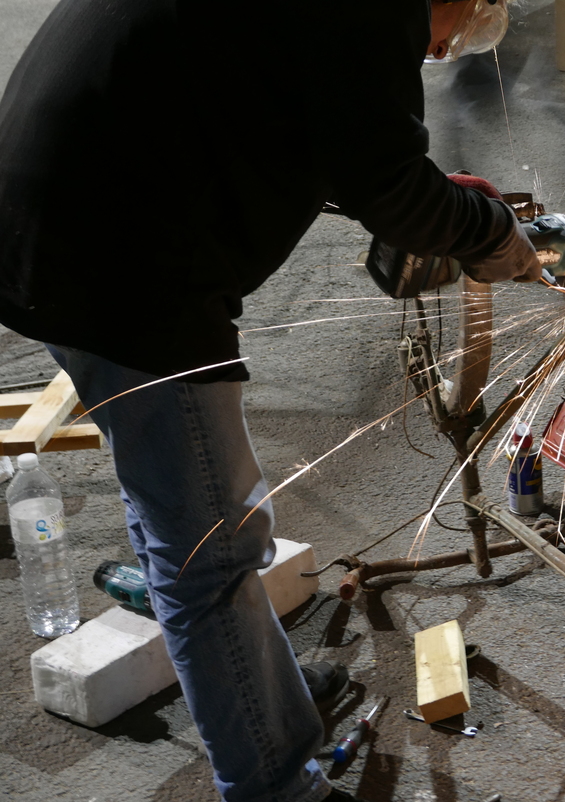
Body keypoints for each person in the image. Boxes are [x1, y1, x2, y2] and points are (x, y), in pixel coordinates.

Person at [0, 1, 534, 801]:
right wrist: (490, 234)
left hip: (57, 213)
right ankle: (276, 781)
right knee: (211, 557)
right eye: (456, 30)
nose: (441, 49)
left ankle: (257, 696)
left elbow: (295, 121)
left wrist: (432, 203)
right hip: (119, 264)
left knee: (186, 518)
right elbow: (387, 184)